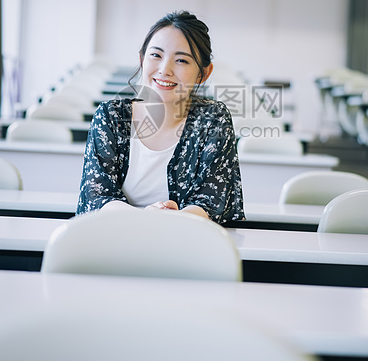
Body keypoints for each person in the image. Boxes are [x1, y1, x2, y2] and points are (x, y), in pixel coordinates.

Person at [76, 11, 245, 224]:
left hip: (187, 243)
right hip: (114, 241)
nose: (165, 69)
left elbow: (210, 203)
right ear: (142, 59)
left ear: (203, 73)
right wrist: (150, 218)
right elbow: (98, 197)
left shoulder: (213, 120)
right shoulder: (111, 117)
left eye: (182, 60)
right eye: (156, 55)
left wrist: (167, 221)